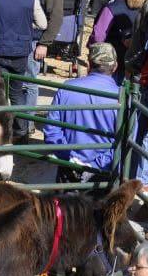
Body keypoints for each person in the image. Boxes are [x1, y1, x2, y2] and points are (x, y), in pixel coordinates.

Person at [41, 43, 121, 182]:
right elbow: (126, 142)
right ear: (115, 67)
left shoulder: (67, 88)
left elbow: (51, 131)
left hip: (68, 168)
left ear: (89, 64)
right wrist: (95, 164)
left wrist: (70, 157)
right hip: (102, 174)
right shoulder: (121, 98)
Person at [24, 0, 64, 115]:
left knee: (29, 81)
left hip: (35, 41)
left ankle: (28, 120)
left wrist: (44, 43)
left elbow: (56, 19)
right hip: (20, 37)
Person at [90, 0, 142, 78]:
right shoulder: (140, 8)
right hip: (132, 61)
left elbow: (98, 36)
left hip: (110, 61)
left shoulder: (111, 8)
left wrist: (93, 54)